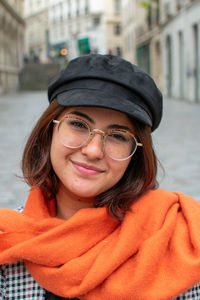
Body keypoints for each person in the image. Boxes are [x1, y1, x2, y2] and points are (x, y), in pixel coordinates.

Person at [0, 54, 200, 300]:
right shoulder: (8, 244)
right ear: (50, 129)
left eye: (117, 135)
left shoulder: (177, 241)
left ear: (135, 154)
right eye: (78, 124)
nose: (93, 150)